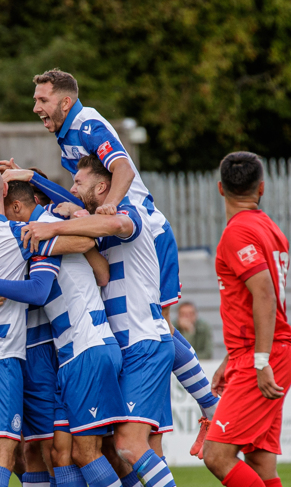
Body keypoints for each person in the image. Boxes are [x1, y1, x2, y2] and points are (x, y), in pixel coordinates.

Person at [19, 155, 207, 487]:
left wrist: (52, 224)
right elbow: (93, 245)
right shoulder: (97, 221)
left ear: (104, 187)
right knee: (133, 452)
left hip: (139, 345)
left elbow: (104, 229)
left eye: (80, 179)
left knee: (124, 446)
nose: (73, 186)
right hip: (127, 348)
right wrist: (36, 183)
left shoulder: (129, 213)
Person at [23, 68, 220, 451]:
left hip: (142, 227)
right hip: (114, 230)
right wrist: (31, 178)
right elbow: (79, 196)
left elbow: (124, 169)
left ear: (64, 101)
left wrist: (111, 203)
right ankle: (185, 416)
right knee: (141, 325)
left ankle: (210, 409)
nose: (36, 108)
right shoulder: (68, 137)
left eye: (42, 100)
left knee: (157, 326)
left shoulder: (86, 122)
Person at [0, 175, 152, 487]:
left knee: (87, 451)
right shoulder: (51, 227)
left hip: (88, 350)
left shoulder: (40, 232)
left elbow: (37, 291)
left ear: (16, 208)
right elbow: (95, 263)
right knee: (60, 451)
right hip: (71, 355)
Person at [204, 152, 291, 487]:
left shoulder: (238, 231)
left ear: (220, 187)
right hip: (263, 352)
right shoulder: (270, 228)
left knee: (217, 455)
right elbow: (255, 301)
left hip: (264, 357)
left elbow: (263, 295)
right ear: (261, 188)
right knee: (261, 459)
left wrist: (257, 360)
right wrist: (234, 356)